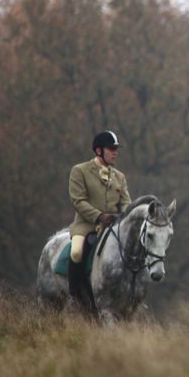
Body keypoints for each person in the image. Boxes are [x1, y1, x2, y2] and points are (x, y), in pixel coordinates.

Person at [68, 130, 131, 312]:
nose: (115, 152)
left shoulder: (119, 177)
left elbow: (126, 203)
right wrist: (99, 216)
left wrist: (129, 215)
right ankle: (74, 295)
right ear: (98, 151)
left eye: (116, 149)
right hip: (86, 225)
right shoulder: (79, 171)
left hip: (112, 227)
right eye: (111, 149)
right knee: (77, 253)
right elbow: (78, 201)